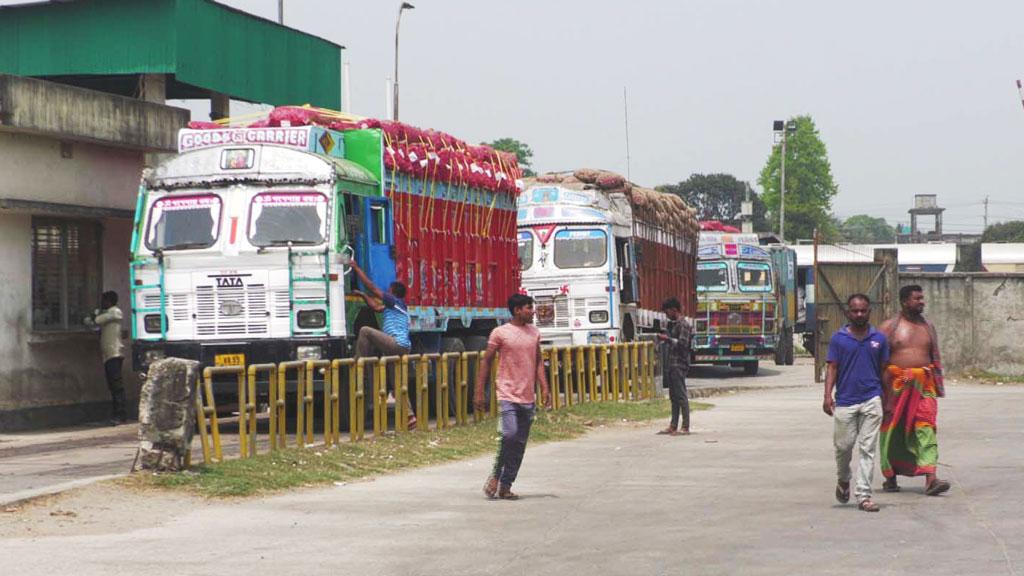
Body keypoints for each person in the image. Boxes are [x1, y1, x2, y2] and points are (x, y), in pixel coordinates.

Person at [475, 294, 552, 500]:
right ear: (517, 310)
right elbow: (487, 361)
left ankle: (506, 485)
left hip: (528, 396)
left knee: (519, 444)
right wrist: (479, 391)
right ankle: (496, 475)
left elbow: (537, 362)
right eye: (529, 308)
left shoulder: (534, 333)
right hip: (507, 393)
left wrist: (545, 388)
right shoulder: (500, 333)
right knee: (509, 435)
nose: (532, 312)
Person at [878, 285, 951, 496]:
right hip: (895, 388)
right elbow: (878, 361)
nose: (922, 302)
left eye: (922, 298)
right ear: (904, 301)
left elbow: (933, 356)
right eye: (917, 298)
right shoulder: (888, 327)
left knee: (926, 428)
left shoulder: (928, 327)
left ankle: (931, 478)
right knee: (892, 431)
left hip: (923, 387)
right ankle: (890, 476)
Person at [823, 293, 887, 512]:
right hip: (845, 401)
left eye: (863, 310)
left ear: (870, 311)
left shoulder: (879, 339)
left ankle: (864, 495)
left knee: (868, 449)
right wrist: (827, 396)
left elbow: (884, 371)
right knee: (843, 446)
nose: (859, 314)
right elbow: (832, 367)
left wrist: (888, 398)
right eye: (855, 310)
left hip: (872, 398)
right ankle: (843, 479)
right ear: (848, 312)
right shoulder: (839, 339)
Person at [349, 259, 416, 429]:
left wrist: (356, 267)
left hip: (396, 344)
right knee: (397, 382)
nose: (386, 291)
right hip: (400, 347)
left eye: (389, 290)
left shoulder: (394, 301)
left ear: (393, 293)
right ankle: (409, 416)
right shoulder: (394, 307)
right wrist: (363, 296)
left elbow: (372, 287)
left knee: (365, 331)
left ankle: (359, 363)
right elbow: (376, 307)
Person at [86, 291, 126, 426]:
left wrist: (96, 314)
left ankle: (120, 415)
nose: (103, 303)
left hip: (114, 353)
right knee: (112, 386)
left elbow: (96, 320)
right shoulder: (109, 314)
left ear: (109, 301)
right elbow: (91, 323)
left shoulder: (115, 312)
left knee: (116, 386)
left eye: (104, 301)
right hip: (108, 355)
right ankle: (117, 414)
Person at [657, 297, 692, 436]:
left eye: (667, 312)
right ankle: (673, 425)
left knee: (681, 396)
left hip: (680, 364)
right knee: (673, 397)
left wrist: (668, 339)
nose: (667, 315)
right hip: (672, 364)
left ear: (674, 310)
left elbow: (683, 344)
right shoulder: (673, 324)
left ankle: (685, 426)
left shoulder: (684, 325)